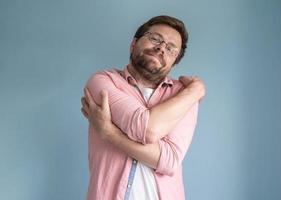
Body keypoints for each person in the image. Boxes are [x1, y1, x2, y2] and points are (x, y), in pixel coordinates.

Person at [81, 15, 205, 200]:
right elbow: (146, 128)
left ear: (174, 62)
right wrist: (197, 90)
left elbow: (169, 161)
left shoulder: (183, 95)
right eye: (155, 38)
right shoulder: (102, 81)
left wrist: (109, 132)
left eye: (171, 49)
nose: (161, 48)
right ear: (134, 43)